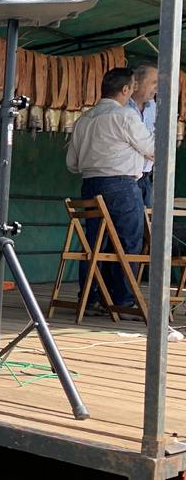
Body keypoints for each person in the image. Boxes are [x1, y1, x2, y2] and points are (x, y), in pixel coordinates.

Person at [66, 67, 155, 316]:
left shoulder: (84, 118)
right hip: (122, 186)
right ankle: (123, 301)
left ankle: (90, 297)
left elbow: (72, 164)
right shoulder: (125, 117)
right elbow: (152, 148)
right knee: (128, 243)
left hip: (90, 185)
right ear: (126, 90)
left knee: (94, 244)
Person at [128, 63, 159, 209]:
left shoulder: (154, 106)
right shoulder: (122, 106)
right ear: (136, 84)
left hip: (146, 177)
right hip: (126, 178)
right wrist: (147, 151)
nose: (157, 88)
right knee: (127, 228)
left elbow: (158, 140)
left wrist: (148, 151)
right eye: (154, 83)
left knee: (147, 227)